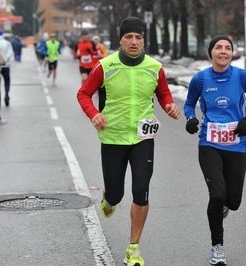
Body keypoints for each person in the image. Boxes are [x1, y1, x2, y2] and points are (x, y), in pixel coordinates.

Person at [77, 16, 181, 266]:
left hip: (143, 138)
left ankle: (133, 247)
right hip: (113, 138)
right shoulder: (105, 65)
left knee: (141, 192)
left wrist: (169, 106)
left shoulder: (154, 67)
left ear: (143, 40)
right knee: (116, 193)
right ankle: (109, 198)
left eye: (138, 37)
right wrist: (94, 114)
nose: (134, 42)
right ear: (120, 40)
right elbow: (83, 94)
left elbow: (164, 92)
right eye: (128, 37)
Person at [184, 35, 246, 265]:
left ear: (231, 53)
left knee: (233, 201)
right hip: (209, 143)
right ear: (210, 52)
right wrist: (190, 118)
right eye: (218, 48)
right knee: (217, 194)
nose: (223, 51)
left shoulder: (241, 76)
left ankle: (223, 207)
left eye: (227, 48)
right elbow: (189, 103)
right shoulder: (200, 79)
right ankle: (217, 247)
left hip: (236, 145)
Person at [0, 30, 14, 106]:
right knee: (7, 82)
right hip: (6, 66)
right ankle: (6, 95)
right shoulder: (7, 43)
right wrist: (5, 60)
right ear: (3, 35)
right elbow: (10, 52)